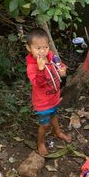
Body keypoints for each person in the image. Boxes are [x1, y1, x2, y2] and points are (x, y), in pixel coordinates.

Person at [26, 28, 72, 156]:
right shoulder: (32, 67)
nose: (42, 51)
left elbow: (58, 63)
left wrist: (62, 69)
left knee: (54, 115)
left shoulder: (50, 55)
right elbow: (38, 84)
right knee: (44, 125)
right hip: (43, 102)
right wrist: (41, 70)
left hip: (53, 97)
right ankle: (40, 143)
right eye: (38, 48)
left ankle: (57, 132)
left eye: (45, 47)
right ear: (29, 48)